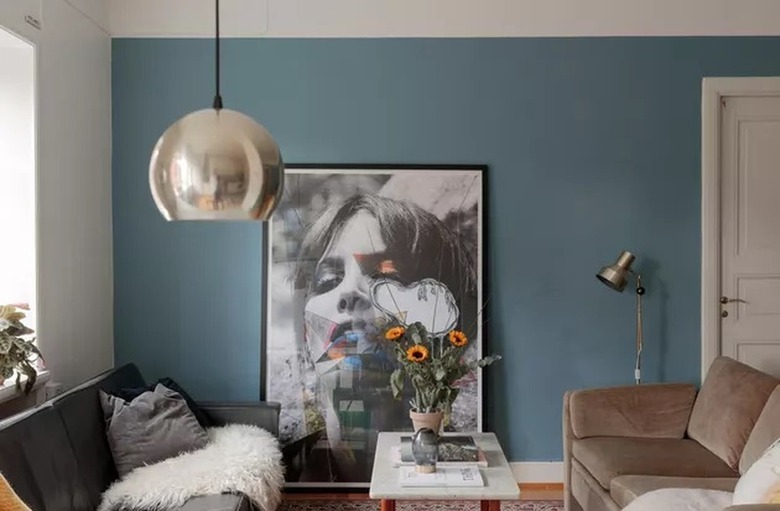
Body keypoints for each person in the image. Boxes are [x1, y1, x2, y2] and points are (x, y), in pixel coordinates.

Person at [288, 193, 478, 483]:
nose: (350, 291)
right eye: (327, 280)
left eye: (388, 274)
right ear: (304, 333)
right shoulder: (285, 469)